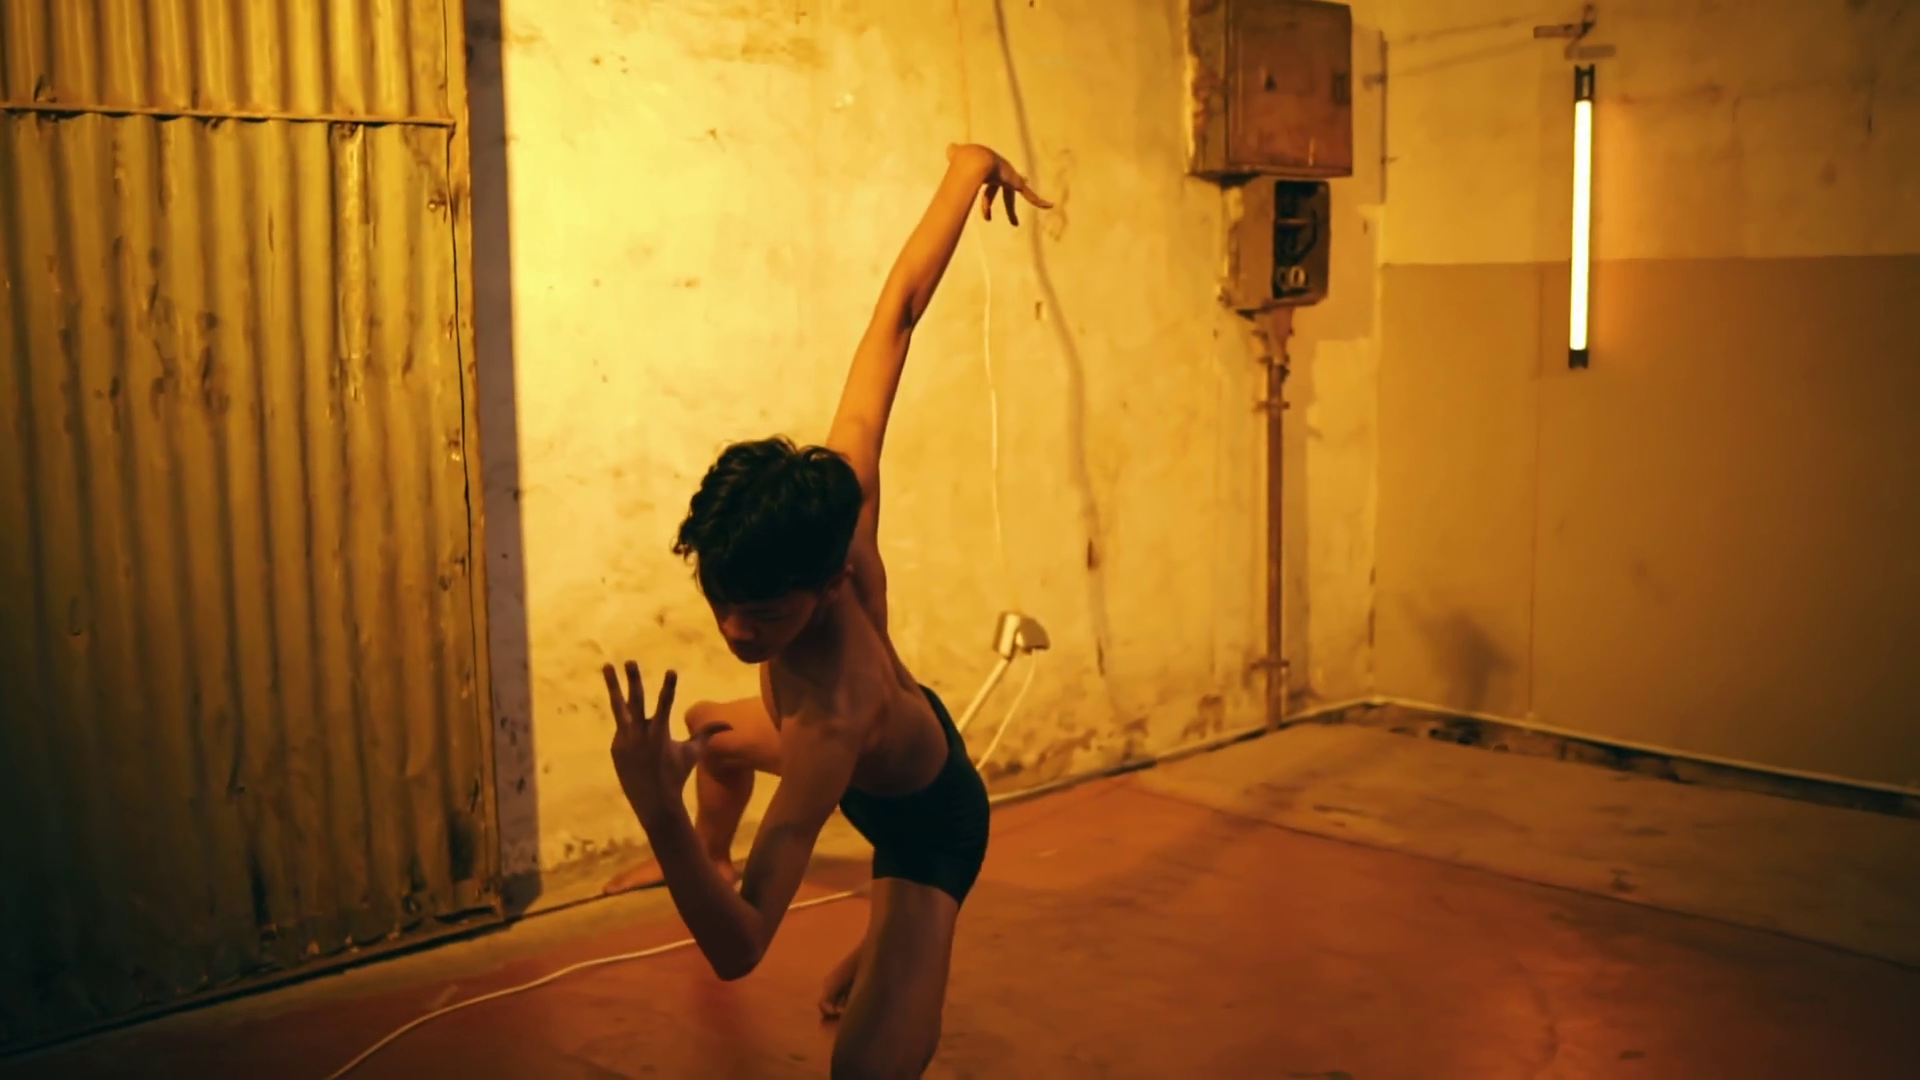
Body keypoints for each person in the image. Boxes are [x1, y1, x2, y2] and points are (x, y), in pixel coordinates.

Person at [600, 142, 1051, 1079]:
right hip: (880, 739)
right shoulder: (837, 492)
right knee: (713, 732)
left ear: (832, 582)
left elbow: (741, 949)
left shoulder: (831, 723)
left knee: (862, 1071)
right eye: (722, 603)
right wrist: (967, 172)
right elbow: (898, 315)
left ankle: (903, 927)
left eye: (764, 617)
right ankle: (721, 860)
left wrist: (658, 812)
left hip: (929, 823)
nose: (737, 632)